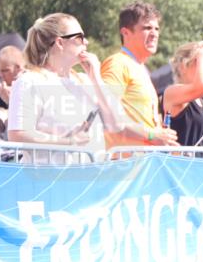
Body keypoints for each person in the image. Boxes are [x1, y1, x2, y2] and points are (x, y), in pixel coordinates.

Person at [8, 14, 147, 163]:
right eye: (80, 37)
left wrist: (97, 78)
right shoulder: (30, 81)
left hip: (90, 179)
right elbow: (17, 135)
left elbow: (117, 125)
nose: (86, 42)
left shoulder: (85, 80)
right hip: (48, 181)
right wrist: (67, 142)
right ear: (60, 43)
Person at [100, 1, 178, 148]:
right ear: (125, 33)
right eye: (147, 28)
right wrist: (152, 135)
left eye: (156, 28)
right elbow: (108, 116)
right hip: (125, 164)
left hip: (143, 163)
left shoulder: (140, 67)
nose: (154, 34)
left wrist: (164, 139)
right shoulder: (117, 64)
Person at [0, 45, 25, 110]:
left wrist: (10, 99)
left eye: (5, 70)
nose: (0, 75)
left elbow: (24, 116)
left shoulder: (29, 86)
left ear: (18, 68)